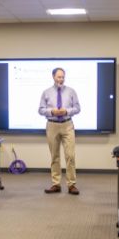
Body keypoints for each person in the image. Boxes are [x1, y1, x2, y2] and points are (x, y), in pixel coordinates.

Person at [38, 67, 81, 195]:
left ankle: (71, 184)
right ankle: (56, 184)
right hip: (52, 125)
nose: (61, 79)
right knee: (54, 156)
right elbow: (40, 110)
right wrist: (52, 111)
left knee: (70, 156)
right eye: (59, 77)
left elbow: (78, 108)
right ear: (53, 77)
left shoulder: (71, 91)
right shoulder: (46, 92)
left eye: (63, 77)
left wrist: (66, 111)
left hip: (67, 125)